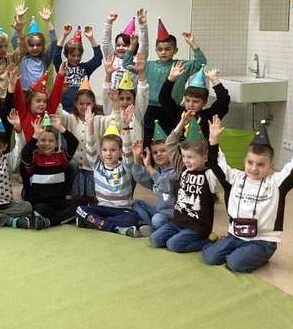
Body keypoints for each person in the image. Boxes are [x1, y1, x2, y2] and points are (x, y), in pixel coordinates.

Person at [202, 115, 293, 273]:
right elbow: (216, 164)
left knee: (235, 263)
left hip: (262, 241)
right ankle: (235, 250)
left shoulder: (276, 184)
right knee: (210, 257)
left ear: (271, 166)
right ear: (245, 162)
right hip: (235, 235)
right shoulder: (234, 178)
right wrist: (214, 139)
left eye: (261, 164)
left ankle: (253, 255)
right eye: (250, 163)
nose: (254, 168)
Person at [121, 17, 207, 145]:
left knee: (170, 142)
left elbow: (201, 62)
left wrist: (192, 44)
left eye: (167, 49)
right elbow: (126, 64)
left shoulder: (181, 65)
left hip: (172, 110)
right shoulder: (148, 65)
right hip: (150, 109)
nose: (163, 52)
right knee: (149, 142)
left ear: (175, 50)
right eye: (160, 49)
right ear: (156, 50)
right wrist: (132, 46)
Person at [148, 114, 218, 252]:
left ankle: (209, 241)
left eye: (191, 157)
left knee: (173, 245)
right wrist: (181, 124)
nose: (186, 161)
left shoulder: (210, 175)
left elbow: (218, 162)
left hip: (197, 227)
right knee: (154, 240)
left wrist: (214, 140)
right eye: (184, 156)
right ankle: (180, 237)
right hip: (177, 222)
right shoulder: (182, 169)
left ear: (205, 158)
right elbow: (170, 144)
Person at [75, 107, 143, 236]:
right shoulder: (97, 165)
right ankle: (116, 228)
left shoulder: (125, 167)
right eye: (105, 150)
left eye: (113, 150)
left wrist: (125, 126)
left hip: (122, 211)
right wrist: (90, 125)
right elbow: (91, 146)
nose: (108, 154)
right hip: (102, 209)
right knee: (80, 209)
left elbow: (128, 149)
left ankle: (97, 223)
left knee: (133, 218)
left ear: (120, 152)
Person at [20, 114, 83, 229]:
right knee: (39, 210)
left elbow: (74, 143)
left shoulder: (60, 158)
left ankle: (49, 222)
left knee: (82, 203)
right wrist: (35, 135)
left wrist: (60, 128)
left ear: (56, 143)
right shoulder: (34, 159)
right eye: (42, 140)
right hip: (41, 204)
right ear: (37, 142)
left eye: (51, 141)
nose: (47, 144)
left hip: (59, 202)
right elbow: (25, 154)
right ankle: (63, 218)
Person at [158, 63, 229, 143]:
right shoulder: (177, 113)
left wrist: (214, 79)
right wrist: (171, 78)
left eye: (196, 101)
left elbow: (223, 101)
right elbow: (164, 98)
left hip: (201, 150)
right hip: (178, 149)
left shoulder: (208, 116)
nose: (191, 105)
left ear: (204, 102)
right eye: (187, 100)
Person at [130, 121, 178, 233]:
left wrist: (149, 167)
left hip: (174, 214)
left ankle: (157, 229)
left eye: (163, 151)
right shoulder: (158, 171)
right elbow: (141, 178)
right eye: (155, 153)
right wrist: (137, 159)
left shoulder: (176, 171)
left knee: (157, 219)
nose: (159, 154)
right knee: (135, 203)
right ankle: (151, 227)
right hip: (160, 211)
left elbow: (166, 186)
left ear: (172, 152)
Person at [13, 61, 67, 142]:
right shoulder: (23, 114)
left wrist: (61, 75)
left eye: (44, 101)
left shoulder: (47, 114)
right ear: (29, 101)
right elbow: (18, 98)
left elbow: (55, 96)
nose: (42, 104)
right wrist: (16, 81)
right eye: (38, 101)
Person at [53, 24, 102, 110]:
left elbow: (98, 58)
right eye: (73, 55)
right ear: (66, 54)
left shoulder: (85, 68)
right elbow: (55, 56)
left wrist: (91, 38)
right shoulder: (62, 67)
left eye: (79, 55)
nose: (76, 58)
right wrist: (64, 35)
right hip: (64, 108)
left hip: (82, 108)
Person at [10, 2, 57, 91]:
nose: (35, 48)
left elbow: (54, 41)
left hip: (40, 94)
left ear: (43, 46)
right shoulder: (21, 58)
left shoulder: (45, 59)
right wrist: (19, 17)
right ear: (26, 46)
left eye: (38, 45)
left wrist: (48, 22)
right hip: (24, 93)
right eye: (31, 45)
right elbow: (14, 39)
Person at [101, 9, 149, 89]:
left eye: (125, 45)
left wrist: (142, 25)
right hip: (114, 95)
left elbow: (144, 45)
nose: (121, 48)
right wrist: (108, 22)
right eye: (118, 45)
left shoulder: (137, 60)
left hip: (132, 96)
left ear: (133, 45)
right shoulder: (112, 59)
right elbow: (106, 44)